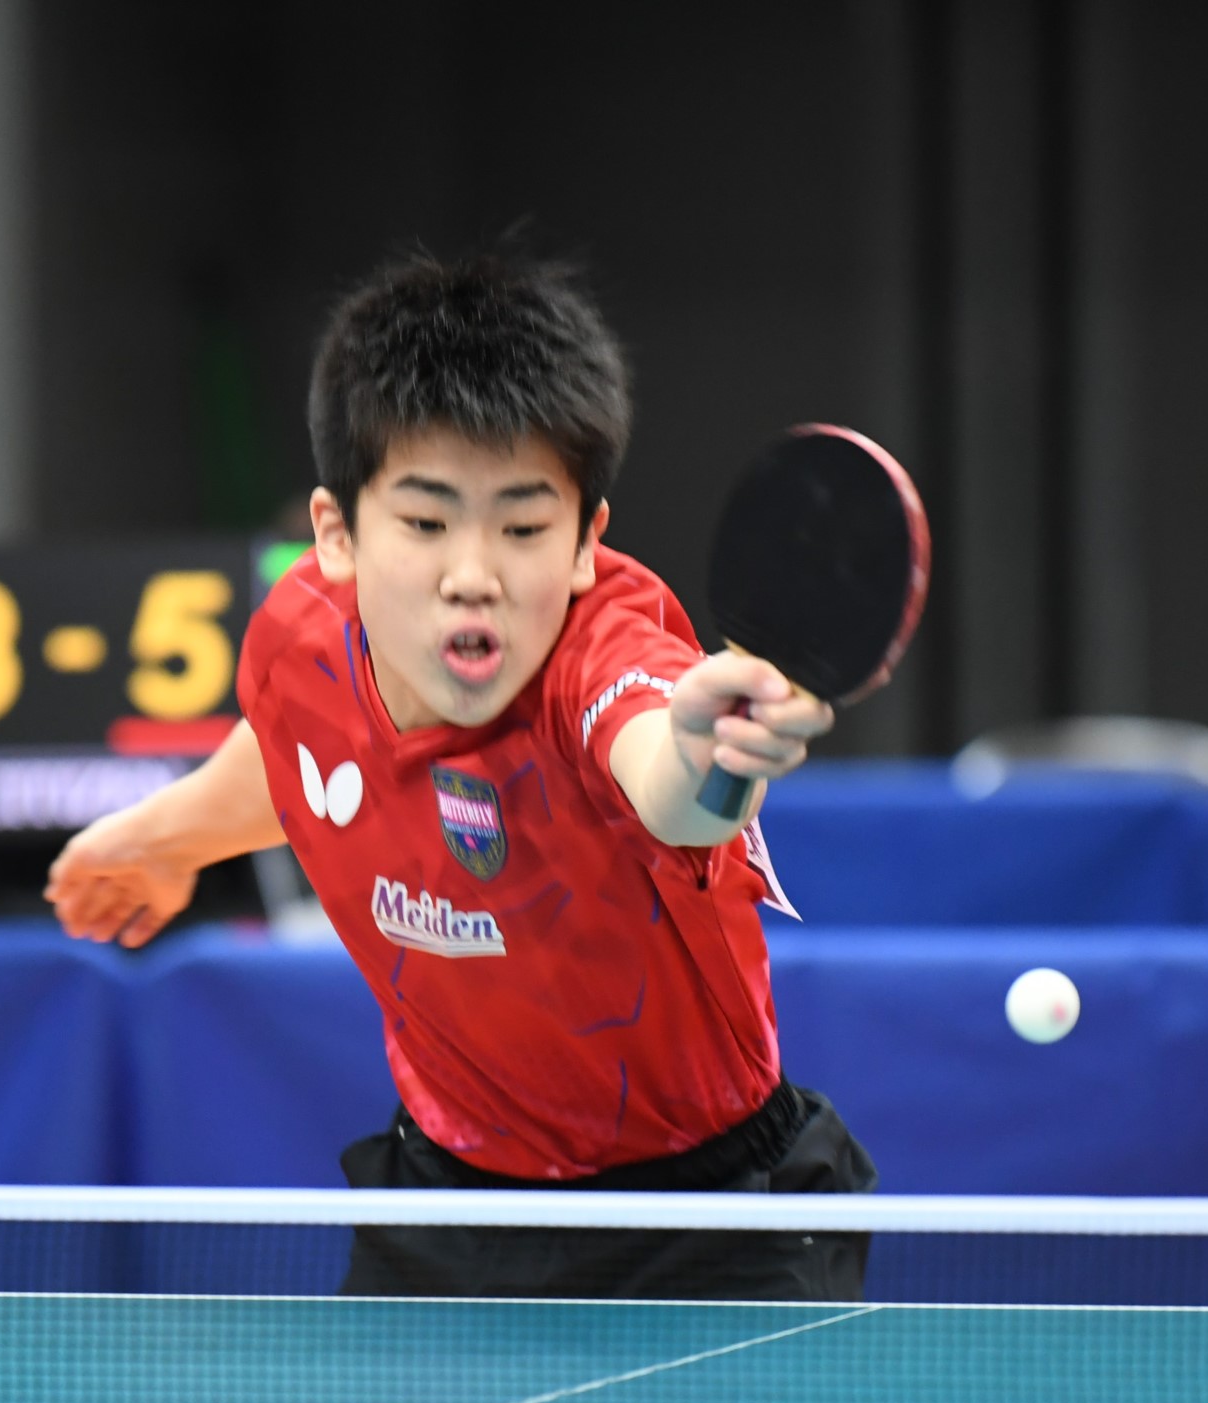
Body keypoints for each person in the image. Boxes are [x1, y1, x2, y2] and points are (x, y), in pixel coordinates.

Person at [46, 245, 876, 1300]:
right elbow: (300, 752)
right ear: (336, 534)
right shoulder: (301, 640)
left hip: (707, 1219)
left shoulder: (604, 652)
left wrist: (711, 755)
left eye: (523, 526)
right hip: (450, 1204)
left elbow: (663, 776)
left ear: (585, 542)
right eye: (426, 522)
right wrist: (163, 837)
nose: (473, 575)